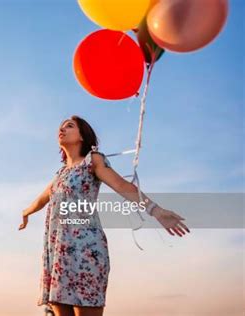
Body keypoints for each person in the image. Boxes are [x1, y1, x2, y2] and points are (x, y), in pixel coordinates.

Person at [18, 115, 190, 316]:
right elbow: (43, 197)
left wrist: (155, 210)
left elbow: (122, 185)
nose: (62, 129)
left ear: (82, 136)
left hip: (85, 249)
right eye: (61, 127)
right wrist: (26, 212)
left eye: (69, 126)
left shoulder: (93, 160)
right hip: (58, 253)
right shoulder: (60, 174)